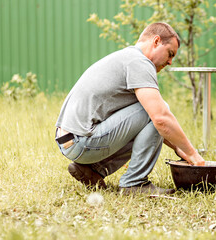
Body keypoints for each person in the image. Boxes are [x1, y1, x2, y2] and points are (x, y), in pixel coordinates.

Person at [55, 22, 205, 195]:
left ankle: (94, 171)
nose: (170, 62)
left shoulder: (127, 57)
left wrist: (179, 149)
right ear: (156, 41)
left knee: (151, 113)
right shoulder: (139, 62)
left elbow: (141, 124)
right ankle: (135, 183)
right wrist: (192, 154)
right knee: (158, 111)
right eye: (170, 54)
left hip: (68, 140)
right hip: (82, 141)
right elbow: (160, 118)